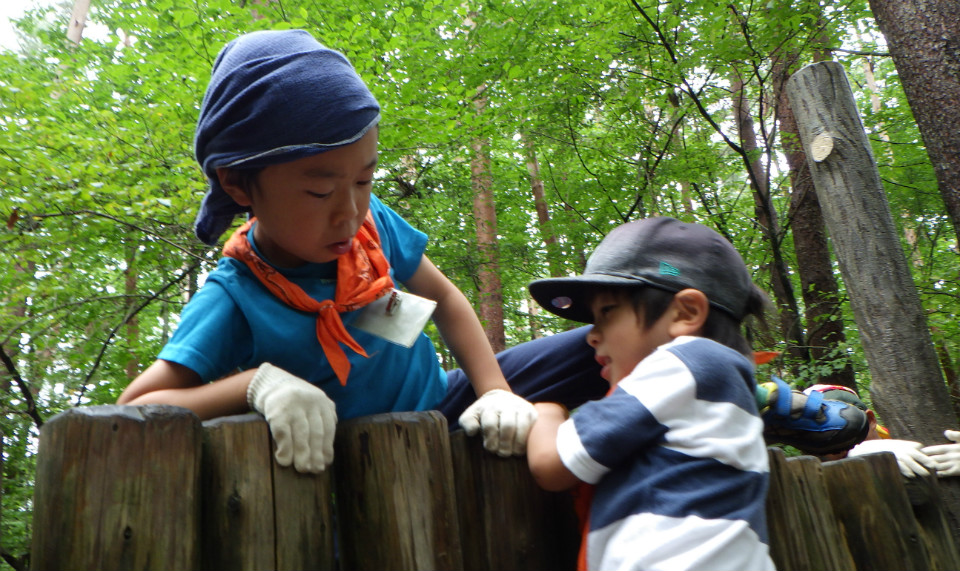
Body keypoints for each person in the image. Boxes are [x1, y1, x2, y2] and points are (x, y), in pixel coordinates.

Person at [116, 29, 544, 473]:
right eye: (320, 192)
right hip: (368, 467)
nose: (351, 213)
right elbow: (133, 408)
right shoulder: (235, 296)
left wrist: (494, 390)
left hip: (447, 402)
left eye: (363, 181)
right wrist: (253, 386)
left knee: (589, 348)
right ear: (237, 183)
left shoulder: (372, 227)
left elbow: (446, 300)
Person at [524, 217, 776, 571]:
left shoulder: (687, 361)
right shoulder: (719, 388)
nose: (591, 336)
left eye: (607, 312)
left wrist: (547, 410)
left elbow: (551, 465)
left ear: (685, 313)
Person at [803, 384, 960, 479]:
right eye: (819, 437)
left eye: (842, 429)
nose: (834, 447)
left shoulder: (911, 433)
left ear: (870, 420)